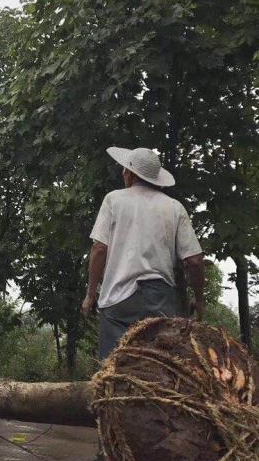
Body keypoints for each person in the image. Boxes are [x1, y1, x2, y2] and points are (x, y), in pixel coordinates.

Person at [82, 146, 205, 361]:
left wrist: (91, 295)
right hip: (160, 299)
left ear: (129, 173)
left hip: (118, 299)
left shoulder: (114, 200)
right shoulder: (175, 208)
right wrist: (199, 298)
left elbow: (99, 248)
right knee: (161, 367)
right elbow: (194, 261)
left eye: (123, 169)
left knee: (115, 368)